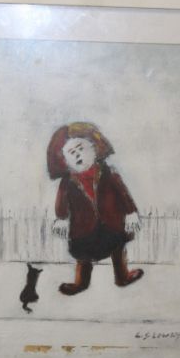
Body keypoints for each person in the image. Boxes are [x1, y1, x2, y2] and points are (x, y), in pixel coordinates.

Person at [47, 122, 144, 295]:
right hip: (83, 228)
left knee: (117, 248)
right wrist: (61, 218)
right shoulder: (67, 183)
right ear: (65, 160)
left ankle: (122, 277)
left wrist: (131, 213)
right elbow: (61, 202)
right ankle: (81, 283)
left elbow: (123, 194)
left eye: (80, 149)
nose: (78, 154)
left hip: (111, 221)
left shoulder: (109, 173)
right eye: (72, 152)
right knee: (83, 256)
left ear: (93, 149)